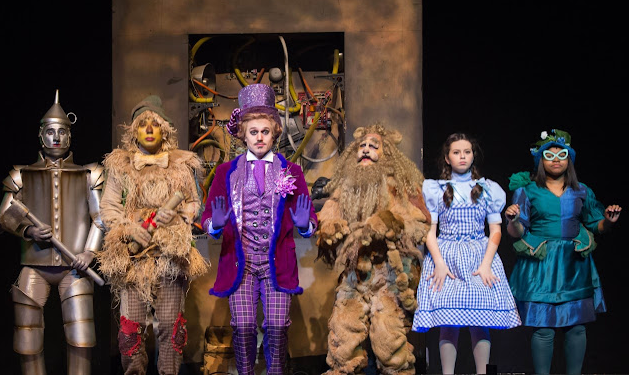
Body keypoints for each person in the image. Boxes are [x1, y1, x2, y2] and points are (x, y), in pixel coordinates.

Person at [200, 83, 317, 375]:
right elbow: (208, 217)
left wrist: (305, 225)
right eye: (253, 132)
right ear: (243, 134)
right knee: (243, 327)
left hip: (277, 261)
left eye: (265, 131)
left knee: (277, 327)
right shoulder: (226, 172)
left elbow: (309, 219)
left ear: (275, 132)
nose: (260, 137)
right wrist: (215, 224)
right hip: (241, 261)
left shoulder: (291, 171)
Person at [0, 90, 105, 375]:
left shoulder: (89, 174)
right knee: (27, 339)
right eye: (50, 132)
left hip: (75, 268)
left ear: (70, 136)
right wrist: (27, 230)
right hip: (34, 266)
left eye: (62, 132)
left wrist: (89, 252)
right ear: (41, 136)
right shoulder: (20, 175)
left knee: (81, 339)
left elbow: (101, 219)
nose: (56, 138)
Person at [97, 95, 209, 375]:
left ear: (164, 130)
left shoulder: (181, 165)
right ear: (133, 131)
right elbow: (109, 207)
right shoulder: (120, 166)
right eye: (142, 124)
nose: (149, 129)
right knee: (130, 331)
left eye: (155, 124)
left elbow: (194, 203)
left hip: (170, 256)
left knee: (171, 328)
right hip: (133, 259)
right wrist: (128, 228)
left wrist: (179, 216)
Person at [316, 123, 431, 375]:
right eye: (362, 146)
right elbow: (328, 215)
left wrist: (390, 222)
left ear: (386, 154)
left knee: (388, 334)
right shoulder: (345, 187)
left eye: (373, 146)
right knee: (343, 332)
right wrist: (329, 227)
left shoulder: (400, 187)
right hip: (353, 272)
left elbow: (420, 223)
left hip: (388, 274)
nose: (366, 149)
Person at [505, 129, 621, 374]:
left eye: (562, 155)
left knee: (576, 327)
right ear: (540, 160)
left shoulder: (582, 191)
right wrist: (513, 220)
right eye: (549, 155)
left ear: (570, 160)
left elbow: (596, 224)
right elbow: (517, 232)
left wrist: (608, 221)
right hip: (542, 266)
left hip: (573, 265)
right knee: (543, 327)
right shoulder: (528, 191)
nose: (556, 160)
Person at [412, 132, 521, 375]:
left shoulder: (488, 189)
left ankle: (483, 372)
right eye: (456, 152)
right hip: (446, 255)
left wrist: (486, 264)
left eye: (467, 152)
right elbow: (430, 231)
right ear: (447, 158)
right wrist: (439, 263)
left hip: (478, 255)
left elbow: (495, 231)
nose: (462, 156)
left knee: (480, 322)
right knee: (448, 322)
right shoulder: (436, 189)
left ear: (473, 156)